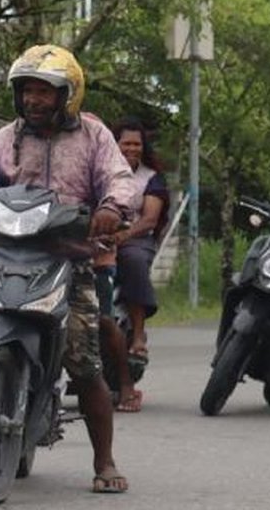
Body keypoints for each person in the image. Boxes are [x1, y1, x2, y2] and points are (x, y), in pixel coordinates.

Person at [0, 44, 134, 494]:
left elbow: (119, 179)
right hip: (2, 254)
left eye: (45, 91)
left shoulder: (94, 137)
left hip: (66, 259)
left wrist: (113, 208)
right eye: (28, 91)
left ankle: (105, 460)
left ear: (68, 95)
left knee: (84, 362)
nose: (34, 100)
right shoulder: (6, 137)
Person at [95, 117, 168, 413]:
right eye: (126, 143)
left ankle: (137, 334)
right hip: (96, 238)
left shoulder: (151, 178)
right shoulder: (100, 171)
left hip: (134, 239)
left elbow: (149, 219)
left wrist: (123, 235)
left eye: (137, 144)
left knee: (134, 261)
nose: (131, 149)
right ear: (115, 144)